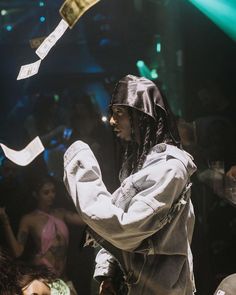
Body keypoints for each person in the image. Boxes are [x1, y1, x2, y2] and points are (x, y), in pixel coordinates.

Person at [63, 75, 197, 295]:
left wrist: (79, 165)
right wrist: (108, 274)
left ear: (141, 116)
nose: (113, 122)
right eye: (112, 114)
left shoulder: (170, 169)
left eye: (119, 114)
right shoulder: (142, 163)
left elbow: (125, 227)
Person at [0, 175, 83, 294]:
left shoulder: (61, 213)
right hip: (44, 279)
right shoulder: (29, 219)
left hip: (64, 278)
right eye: (46, 192)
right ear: (36, 194)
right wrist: (5, 221)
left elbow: (86, 220)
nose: (51, 195)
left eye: (53, 191)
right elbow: (17, 251)